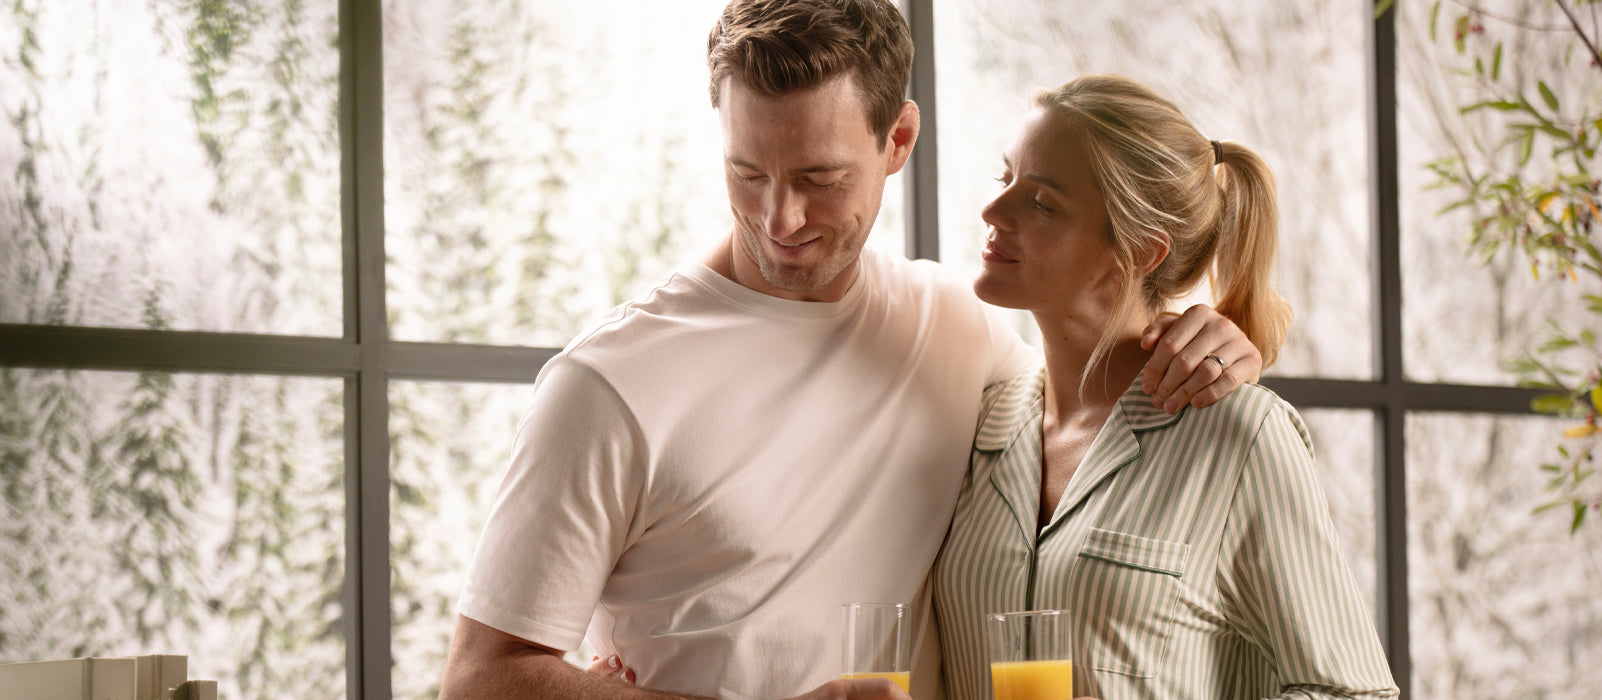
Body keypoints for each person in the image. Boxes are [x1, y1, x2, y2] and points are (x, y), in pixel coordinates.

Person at [437, 2, 1262, 698]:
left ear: (898, 140)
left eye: (821, 178)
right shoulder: (610, 382)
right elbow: (481, 677)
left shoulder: (954, 327)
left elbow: (1094, 399)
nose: (779, 219)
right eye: (747, 172)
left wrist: (1220, 340)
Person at [931, 74, 1398, 699]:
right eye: (1005, 179)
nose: (993, 211)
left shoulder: (1240, 436)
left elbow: (1354, 692)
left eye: (1042, 203)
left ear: (1138, 253)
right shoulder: (984, 419)